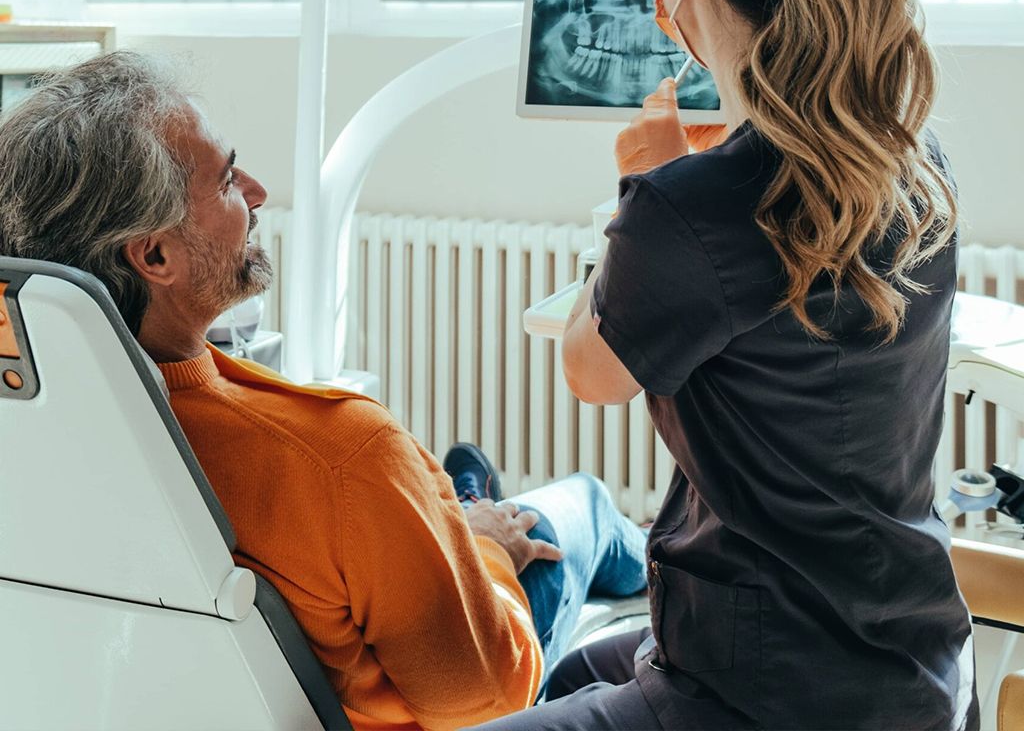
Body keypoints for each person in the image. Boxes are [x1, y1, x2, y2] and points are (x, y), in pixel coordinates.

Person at [472, 0, 977, 731]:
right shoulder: (915, 159)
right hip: (909, 666)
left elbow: (590, 371)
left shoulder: (687, 208)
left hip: (763, 691)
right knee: (577, 668)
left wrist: (642, 188)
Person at [0, 52, 648, 731]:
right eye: (226, 181)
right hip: (430, 690)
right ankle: (577, 551)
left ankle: (458, 497)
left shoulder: (55, 437)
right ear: (155, 257)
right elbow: (484, 699)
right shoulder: (341, 451)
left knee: (461, 492)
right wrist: (491, 552)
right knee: (586, 509)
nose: (255, 190)